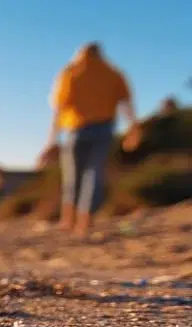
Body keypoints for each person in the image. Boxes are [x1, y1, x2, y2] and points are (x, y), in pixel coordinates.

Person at [42, 42, 137, 237]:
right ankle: (84, 223)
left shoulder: (72, 72)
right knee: (94, 175)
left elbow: (59, 108)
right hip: (104, 129)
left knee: (73, 176)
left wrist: (51, 139)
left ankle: (67, 219)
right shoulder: (113, 73)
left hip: (76, 130)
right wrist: (133, 129)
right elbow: (126, 103)